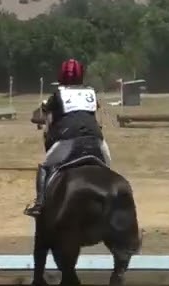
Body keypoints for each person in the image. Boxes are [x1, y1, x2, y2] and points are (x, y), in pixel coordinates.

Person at [24, 58, 112, 217]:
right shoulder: (91, 93)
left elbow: (49, 123)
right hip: (96, 140)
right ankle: (113, 204)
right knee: (108, 170)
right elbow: (94, 117)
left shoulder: (57, 95)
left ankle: (39, 203)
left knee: (45, 167)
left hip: (68, 140)